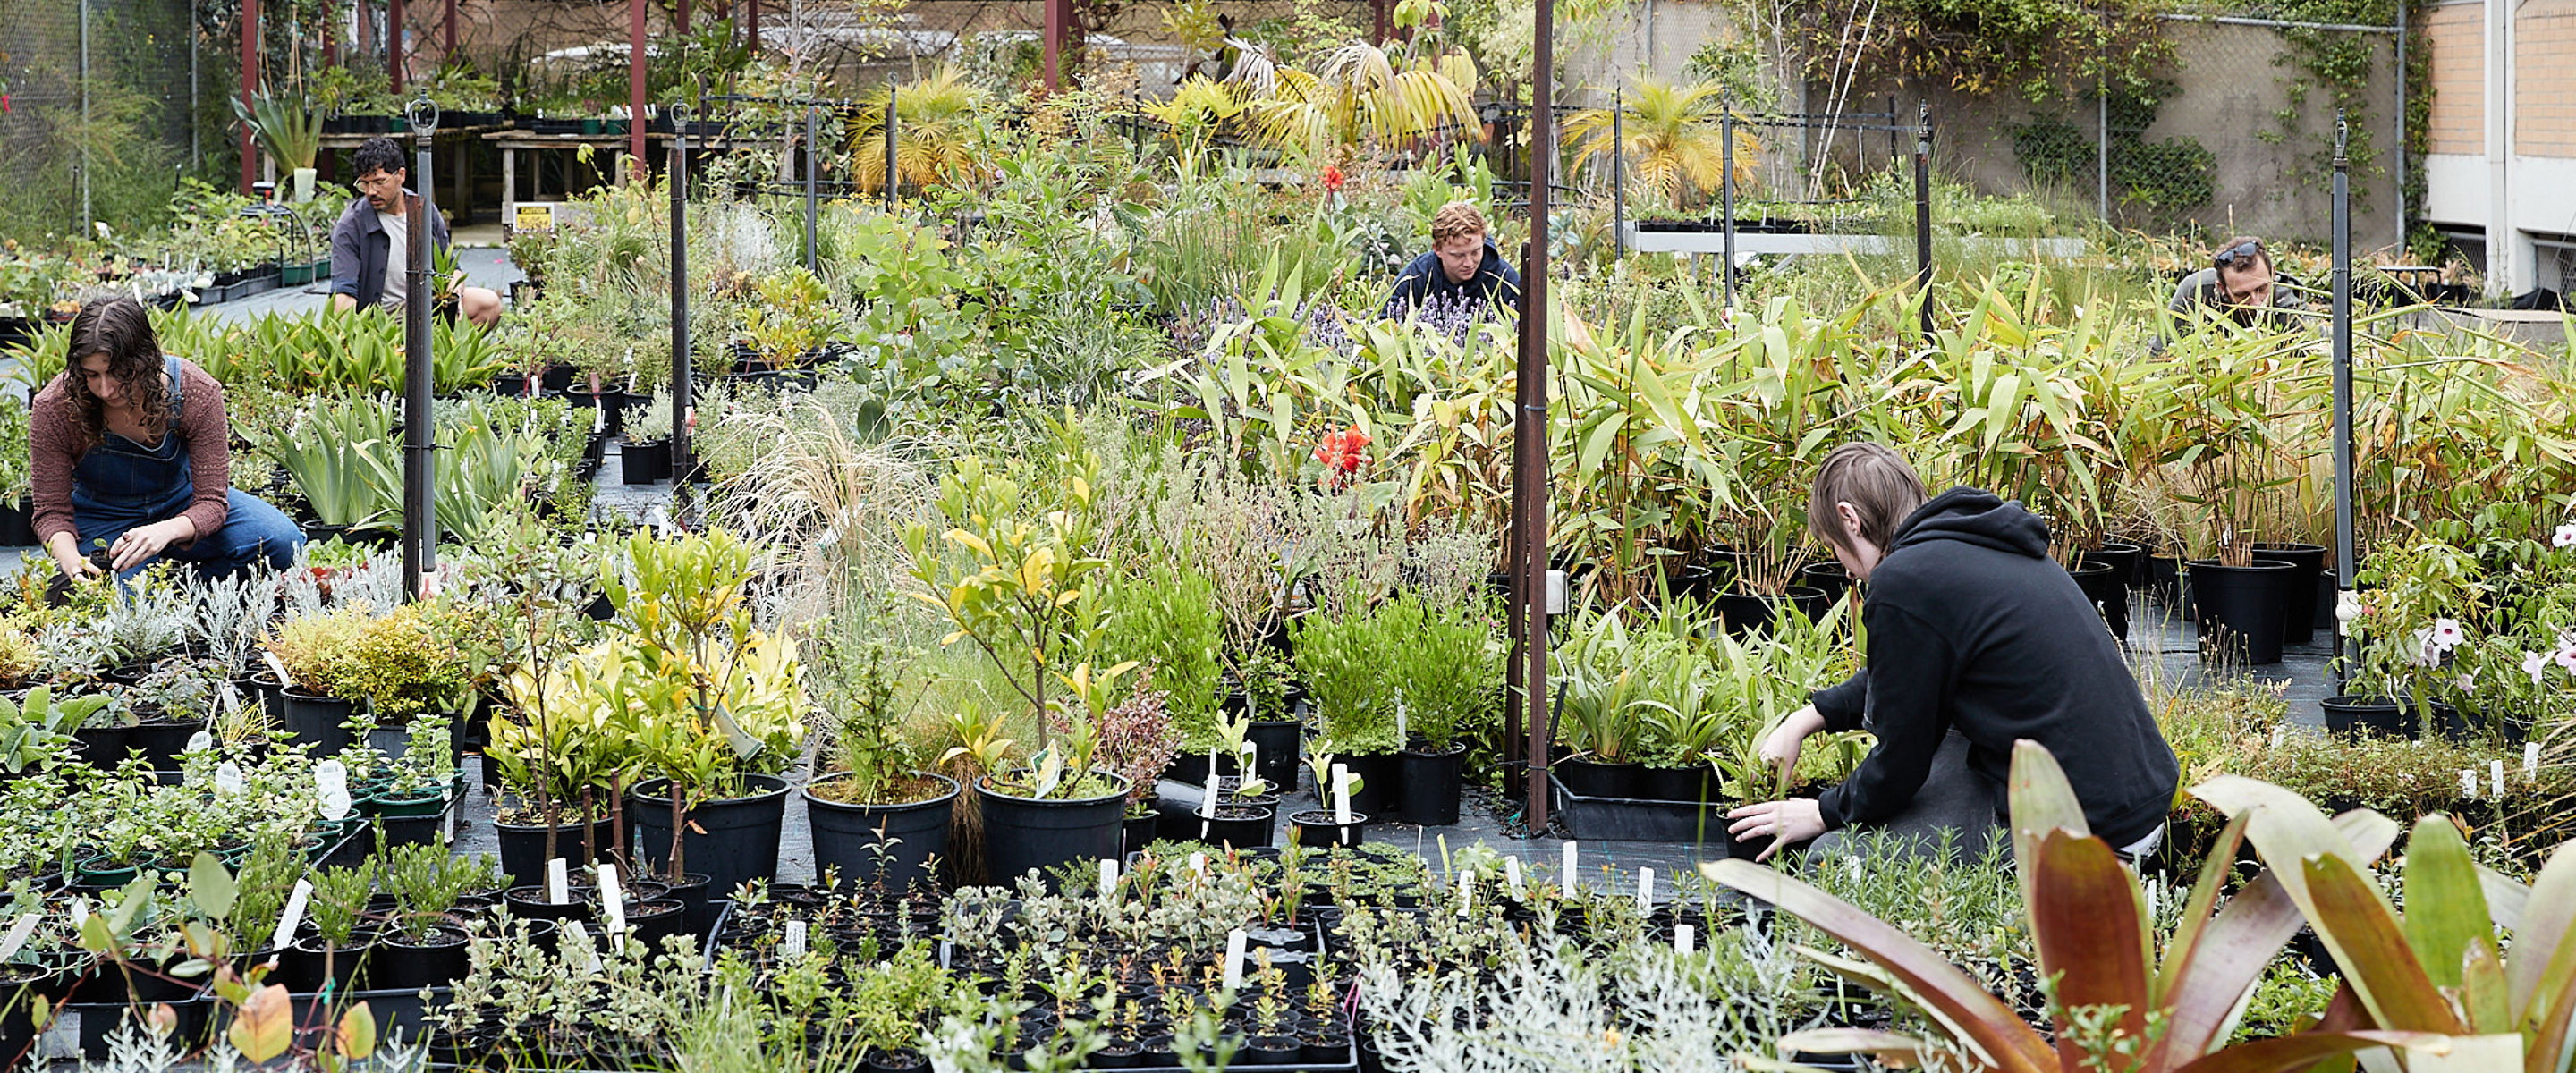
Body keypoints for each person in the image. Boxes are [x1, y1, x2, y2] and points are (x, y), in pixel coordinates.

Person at [1725, 443, 2179, 864]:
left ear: (1850, 519)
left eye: (1833, 547)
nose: (1844, 568)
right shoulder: (1970, 543)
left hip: (2088, 834)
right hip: (2129, 799)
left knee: (1835, 858)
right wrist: (1810, 717)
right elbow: (1911, 672)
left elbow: (1901, 763)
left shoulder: (1905, 581)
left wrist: (1822, 812)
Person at [33, 296, 304, 583]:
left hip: (181, 503)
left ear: (146, 360)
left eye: (119, 373)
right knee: (129, 600)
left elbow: (212, 502)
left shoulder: (194, 391)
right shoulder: (56, 407)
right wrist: (72, 561)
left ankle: (198, 592)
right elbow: (51, 513)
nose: (105, 389)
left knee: (281, 539)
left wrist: (164, 531)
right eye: (91, 375)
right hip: (105, 518)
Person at [330, 137, 502, 328]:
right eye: (364, 183)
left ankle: (443, 345)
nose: (371, 191)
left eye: (379, 182)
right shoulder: (352, 224)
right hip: (381, 322)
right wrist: (347, 334)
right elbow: (344, 289)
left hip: (426, 309)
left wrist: (454, 294)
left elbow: (451, 268)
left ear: (401, 175)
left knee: (489, 305)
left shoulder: (424, 210)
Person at [1383, 200, 1523, 320]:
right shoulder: (1418, 274)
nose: (1469, 263)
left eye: (1475, 252)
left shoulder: (1505, 280)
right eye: (1458, 256)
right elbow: (1384, 321)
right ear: (1437, 249)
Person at [2161, 235, 2305, 341]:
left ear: (2273, 274)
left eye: (2262, 289)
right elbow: (2160, 353)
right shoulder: (2194, 292)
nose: (2257, 304)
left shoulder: (2289, 302)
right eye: (2243, 295)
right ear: (2222, 289)